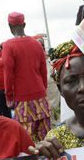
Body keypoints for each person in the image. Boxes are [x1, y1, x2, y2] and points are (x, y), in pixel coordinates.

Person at [3, 12, 50, 142]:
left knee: (28, 140)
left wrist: (9, 97)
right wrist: (43, 89)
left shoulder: (8, 46)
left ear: (10, 26)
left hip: (22, 99)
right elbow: (43, 71)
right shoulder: (36, 44)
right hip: (40, 96)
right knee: (46, 137)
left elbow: (8, 74)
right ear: (24, 24)